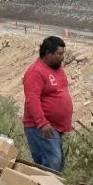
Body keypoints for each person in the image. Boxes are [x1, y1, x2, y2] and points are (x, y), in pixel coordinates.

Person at [22, 36, 73, 172]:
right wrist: (42, 123)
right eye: (59, 54)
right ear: (48, 53)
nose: (62, 57)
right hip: (41, 127)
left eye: (63, 53)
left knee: (57, 164)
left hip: (55, 127)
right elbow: (32, 100)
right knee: (52, 161)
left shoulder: (58, 69)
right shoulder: (35, 72)